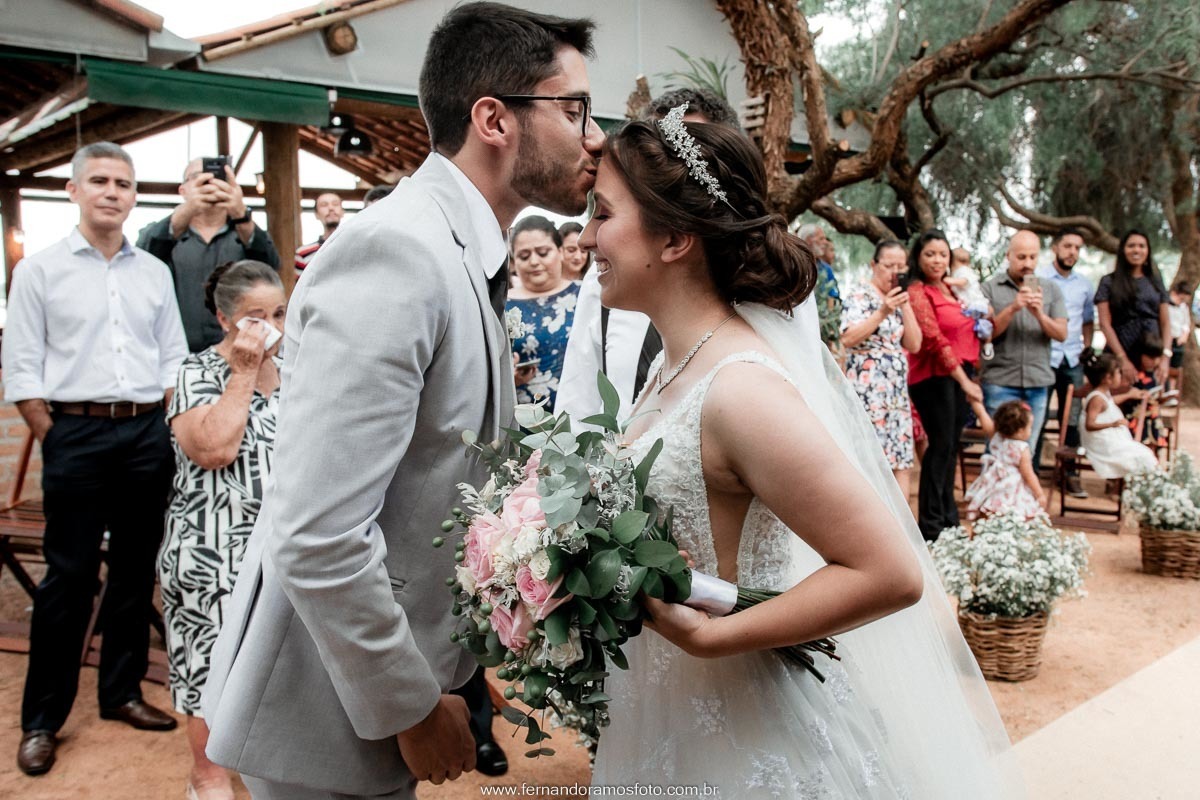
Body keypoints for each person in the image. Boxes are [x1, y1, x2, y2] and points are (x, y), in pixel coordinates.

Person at [201, 5, 604, 798]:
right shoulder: (400, 251)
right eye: (574, 108)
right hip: (322, 712)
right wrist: (411, 707)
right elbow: (317, 532)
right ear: (494, 117)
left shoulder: (457, 248)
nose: (593, 137)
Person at [580, 110, 1020, 798]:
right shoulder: (672, 365)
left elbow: (890, 572)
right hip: (662, 716)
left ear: (674, 238)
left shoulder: (740, 389)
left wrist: (713, 640)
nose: (584, 238)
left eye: (601, 214)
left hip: (745, 733)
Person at [3, 142, 188, 777]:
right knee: (69, 578)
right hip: (75, 434)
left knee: (137, 572)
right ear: (74, 191)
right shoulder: (40, 271)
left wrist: (162, 422)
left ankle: (122, 693)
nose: (113, 191)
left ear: (135, 197)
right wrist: (52, 435)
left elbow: (171, 358)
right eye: (100, 181)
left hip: (144, 434)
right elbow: (22, 367)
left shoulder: (153, 272)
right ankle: (41, 721)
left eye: (125, 183)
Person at [554, 88, 824, 422]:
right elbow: (576, 408)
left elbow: (808, 405)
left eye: (679, 166)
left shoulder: (776, 289)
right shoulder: (603, 282)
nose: (665, 181)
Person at [159, 260, 285, 800]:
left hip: (281, 555)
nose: (269, 327)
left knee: (278, 671)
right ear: (222, 318)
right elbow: (214, 449)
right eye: (254, 317)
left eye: (278, 314)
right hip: (209, 552)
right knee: (208, 670)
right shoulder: (194, 373)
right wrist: (242, 373)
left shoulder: (301, 371)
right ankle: (206, 775)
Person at [138, 159, 281, 353]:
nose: (210, 185)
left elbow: (271, 267)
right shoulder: (163, 235)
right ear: (183, 190)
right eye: (199, 179)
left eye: (218, 179)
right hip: (177, 353)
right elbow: (143, 261)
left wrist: (242, 215)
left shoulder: (245, 235)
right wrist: (186, 211)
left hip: (241, 351)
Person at [905, 230, 987, 541]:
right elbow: (934, 340)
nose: (937, 260)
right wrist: (965, 382)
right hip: (934, 376)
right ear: (918, 258)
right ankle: (931, 525)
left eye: (942, 254)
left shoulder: (953, 290)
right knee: (939, 447)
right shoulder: (917, 290)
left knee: (952, 447)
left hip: (959, 373)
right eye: (930, 254)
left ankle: (949, 518)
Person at [980, 229, 1067, 472]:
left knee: (1027, 452)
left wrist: (1039, 314)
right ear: (1008, 255)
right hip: (1000, 380)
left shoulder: (1050, 290)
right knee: (997, 449)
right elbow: (985, 335)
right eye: (1021, 257)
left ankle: (1020, 507)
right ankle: (994, 505)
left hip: (1038, 382)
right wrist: (1013, 308)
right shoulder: (989, 289)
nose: (1027, 263)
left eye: (1032, 257)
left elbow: (1061, 334)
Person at [840, 240, 921, 497]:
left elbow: (915, 343)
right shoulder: (859, 294)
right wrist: (883, 311)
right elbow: (848, 338)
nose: (895, 272)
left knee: (901, 460)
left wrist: (904, 305)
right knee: (869, 459)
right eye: (889, 266)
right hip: (867, 389)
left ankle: (903, 532)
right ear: (874, 265)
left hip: (895, 393)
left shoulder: (900, 300)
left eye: (901, 266)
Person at [1036, 229, 1094, 498]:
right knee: (1036, 416)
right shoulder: (1040, 278)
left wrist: (1086, 346)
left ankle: (1069, 475)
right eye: (1068, 246)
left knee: (1071, 418)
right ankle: (1032, 473)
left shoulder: (1084, 284)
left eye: (1077, 248)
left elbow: (1087, 320)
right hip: (1045, 357)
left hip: (1072, 358)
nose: (1072, 252)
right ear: (1056, 248)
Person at [507, 215, 581, 408]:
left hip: (580, 415)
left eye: (542, 252)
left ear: (560, 252)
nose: (534, 261)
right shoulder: (501, 304)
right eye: (524, 256)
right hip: (522, 422)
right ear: (514, 260)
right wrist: (506, 377)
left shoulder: (585, 295)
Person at [1096, 229, 1170, 387]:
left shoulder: (1156, 282)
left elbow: (1165, 323)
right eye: (1131, 246)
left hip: (1151, 354)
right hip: (1119, 354)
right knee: (1118, 405)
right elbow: (1104, 324)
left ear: (1148, 251)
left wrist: (1165, 357)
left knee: (1148, 406)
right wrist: (1122, 359)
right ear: (1123, 250)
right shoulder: (1108, 282)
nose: (1136, 250)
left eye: (1142, 246)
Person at [964, 400, 1047, 521]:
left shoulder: (996, 438)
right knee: (1015, 514)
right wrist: (1039, 494)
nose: (1030, 431)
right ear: (1020, 431)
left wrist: (975, 401)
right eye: (1029, 427)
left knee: (989, 512)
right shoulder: (1022, 448)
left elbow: (983, 416)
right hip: (1012, 488)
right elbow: (1028, 474)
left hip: (993, 483)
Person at [1080, 354, 1158, 479]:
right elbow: (1089, 424)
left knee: (1144, 454)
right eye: (1118, 373)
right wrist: (1112, 424)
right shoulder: (1097, 398)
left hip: (1109, 441)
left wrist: (1129, 395)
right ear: (1107, 378)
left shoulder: (1103, 394)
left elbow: (1110, 403)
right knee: (1143, 456)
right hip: (1101, 445)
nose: (1120, 376)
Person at [798, 223, 843, 350]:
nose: (825, 242)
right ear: (808, 239)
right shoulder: (795, 265)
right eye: (821, 239)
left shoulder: (825, 269)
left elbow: (831, 299)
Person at [945, 247, 994, 360]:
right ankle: (986, 344)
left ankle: (987, 343)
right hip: (968, 306)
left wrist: (947, 280)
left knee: (984, 323)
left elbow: (963, 282)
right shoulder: (956, 272)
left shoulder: (964, 271)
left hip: (975, 303)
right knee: (980, 325)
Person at [1124, 332, 1168, 450]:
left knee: (1153, 441)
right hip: (1136, 416)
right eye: (1150, 358)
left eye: (1157, 358)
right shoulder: (1132, 373)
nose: (1154, 361)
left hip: (1153, 415)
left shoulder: (1155, 373)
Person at [294, 192, 345, 274]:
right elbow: (300, 286)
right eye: (324, 205)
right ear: (316, 214)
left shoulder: (356, 248)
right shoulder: (303, 254)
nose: (331, 208)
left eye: (335, 204)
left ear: (342, 212)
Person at [1167, 280, 1192, 392]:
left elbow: (1186, 324)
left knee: (1175, 367)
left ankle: (1172, 391)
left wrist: (1184, 336)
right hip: (1167, 340)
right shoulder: (1166, 305)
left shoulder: (1183, 307)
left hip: (1178, 340)